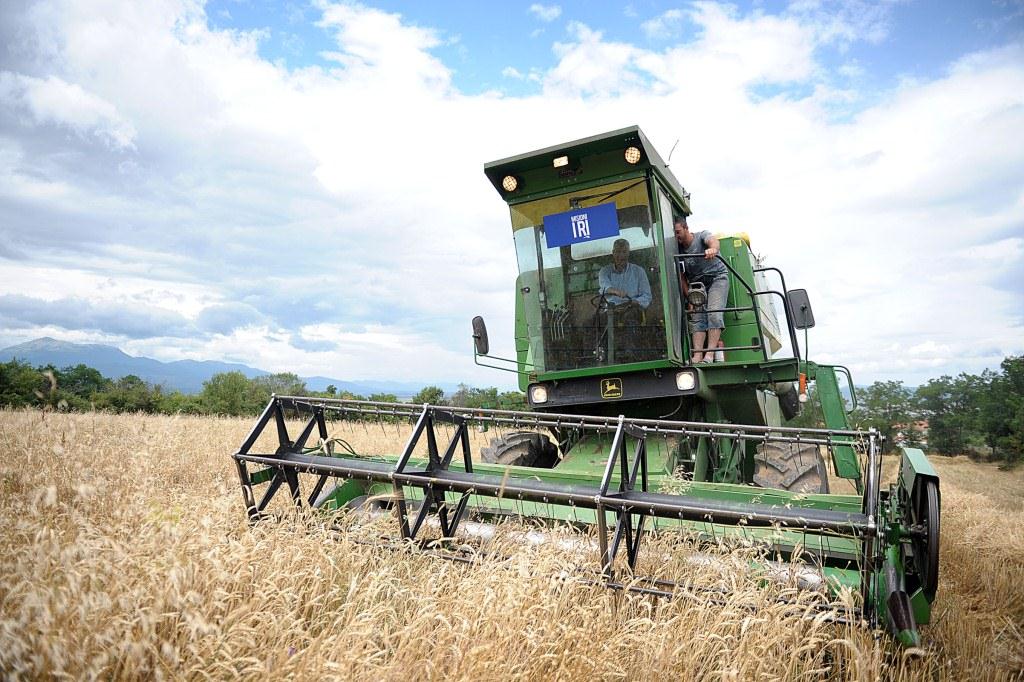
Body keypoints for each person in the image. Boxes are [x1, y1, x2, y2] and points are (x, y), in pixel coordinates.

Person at [674, 214, 729, 363]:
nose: (676, 235)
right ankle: (697, 356)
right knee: (697, 318)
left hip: (717, 278)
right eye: (673, 233)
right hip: (698, 285)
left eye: (678, 232)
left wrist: (713, 249)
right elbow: (681, 277)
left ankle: (710, 355)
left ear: (686, 228)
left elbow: (713, 241)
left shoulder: (701, 237)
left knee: (714, 313)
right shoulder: (677, 250)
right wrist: (689, 297)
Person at [598, 238, 652, 309]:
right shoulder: (604, 271)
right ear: (613, 253)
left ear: (628, 253)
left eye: (624, 252)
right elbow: (605, 287)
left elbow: (647, 296)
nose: (621, 255)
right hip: (611, 309)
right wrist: (616, 292)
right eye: (618, 252)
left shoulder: (639, 271)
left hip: (632, 310)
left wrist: (636, 302)